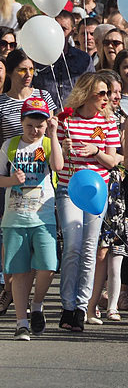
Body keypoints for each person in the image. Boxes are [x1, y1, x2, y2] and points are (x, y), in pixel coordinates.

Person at [56, 73, 122, 333]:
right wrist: (63, 146)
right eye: (101, 93)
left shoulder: (108, 123)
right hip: (68, 189)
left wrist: (96, 151)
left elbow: (114, 161)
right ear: (87, 94)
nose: (106, 98)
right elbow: (57, 159)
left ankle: (82, 307)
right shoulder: (68, 121)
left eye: (108, 93)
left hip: (97, 193)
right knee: (72, 246)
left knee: (90, 248)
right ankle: (67, 305)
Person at [0, 97, 63, 340]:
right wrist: (12, 181)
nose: (35, 130)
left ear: (47, 124)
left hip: (43, 216)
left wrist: (54, 135)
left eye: (40, 125)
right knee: (20, 271)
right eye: (29, 125)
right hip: (15, 218)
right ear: (21, 122)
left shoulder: (47, 143)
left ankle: (37, 305)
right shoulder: (9, 145)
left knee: (47, 266)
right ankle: (21, 322)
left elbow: (57, 166)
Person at [32, 10, 95, 104]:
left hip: (74, 114)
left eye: (63, 29)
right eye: (55, 28)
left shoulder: (83, 59)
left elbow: (92, 87)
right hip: (45, 114)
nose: (58, 32)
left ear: (72, 32)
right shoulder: (37, 58)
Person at [0, 50, 59, 144]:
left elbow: (50, 133)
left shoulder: (43, 96)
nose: (28, 74)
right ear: (10, 72)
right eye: (22, 70)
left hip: (40, 155)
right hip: (11, 155)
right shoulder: (1, 102)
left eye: (31, 69)